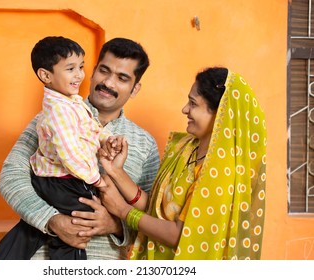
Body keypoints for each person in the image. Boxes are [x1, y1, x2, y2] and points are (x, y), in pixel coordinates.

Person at [0, 37, 161, 260]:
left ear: (135, 88)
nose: (108, 83)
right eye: (104, 71)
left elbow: (155, 217)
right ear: (91, 72)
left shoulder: (144, 143)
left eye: (122, 78)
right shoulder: (50, 117)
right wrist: (51, 220)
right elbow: (11, 176)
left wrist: (115, 225)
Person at [98, 67, 267, 260]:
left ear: (220, 114)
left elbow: (178, 234)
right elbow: (157, 210)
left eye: (193, 104)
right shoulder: (187, 149)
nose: (185, 109)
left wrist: (123, 210)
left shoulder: (220, 172)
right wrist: (116, 172)